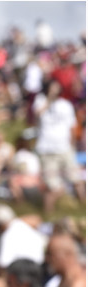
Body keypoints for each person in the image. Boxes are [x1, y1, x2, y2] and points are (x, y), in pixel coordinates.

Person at [32, 79, 84, 214]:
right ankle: (48, 216)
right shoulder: (40, 101)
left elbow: (72, 126)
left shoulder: (66, 105)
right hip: (46, 150)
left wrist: (72, 145)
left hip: (64, 148)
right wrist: (49, 99)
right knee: (53, 187)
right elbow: (37, 115)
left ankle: (84, 209)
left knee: (76, 181)